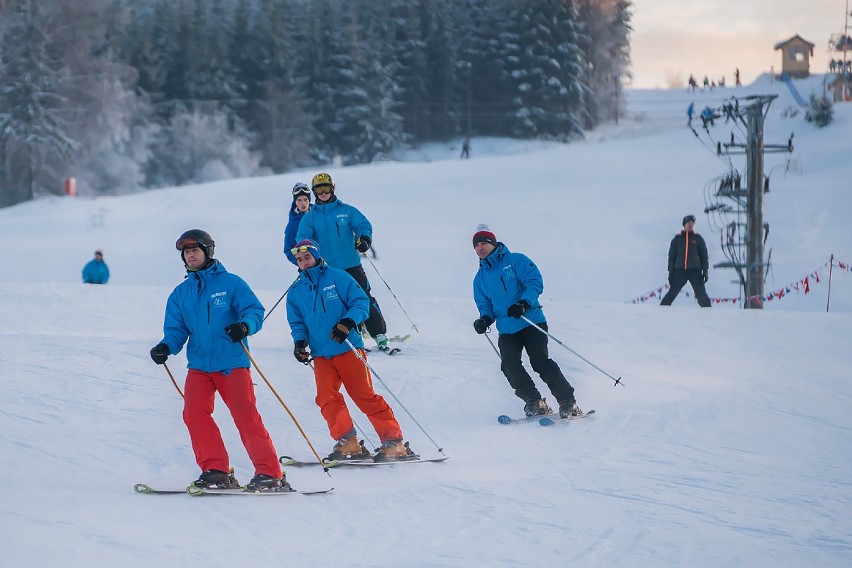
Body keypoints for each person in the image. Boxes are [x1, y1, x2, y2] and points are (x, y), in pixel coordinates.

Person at [149, 229, 286, 491]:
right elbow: (176, 330)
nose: (190, 255)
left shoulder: (231, 283)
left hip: (232, 362)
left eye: (194, 250)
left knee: (245, 416)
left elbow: (254, 310)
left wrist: (245, 326)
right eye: (186, 252)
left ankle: (270, 473)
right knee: (194, 414)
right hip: (199, 366)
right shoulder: (180, 294)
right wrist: (166, 346)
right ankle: (216, 470)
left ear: (208, 251)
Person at [285, 238, 413, 462]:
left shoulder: (338, 277)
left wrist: (347, 323)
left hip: (348, 348)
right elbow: (297, 323)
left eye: (307, 257)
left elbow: (360, 302)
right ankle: (348, 442)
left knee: (364, 396)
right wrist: (299, 343)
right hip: (321, 354)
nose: (304, 262)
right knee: (326, 397)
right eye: (299, 259)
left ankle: (394, 441)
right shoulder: (296, 291)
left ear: (315, 256)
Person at [470, 224, 582, 419]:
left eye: (484, 243)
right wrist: (485, 319)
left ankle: (568, 403)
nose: (480, 248)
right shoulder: (479, 279)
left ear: (493, 243)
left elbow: (534, 281)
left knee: (540, 362)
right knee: (509, 365)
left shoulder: (516, 260)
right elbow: (485, 305)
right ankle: (534, 401)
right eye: (476, 245)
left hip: (530, 321)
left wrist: (523, 303)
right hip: (506, 329)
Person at [295, 172, 390, 351]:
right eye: (319, 190)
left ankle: (379, 334)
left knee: (364, 297)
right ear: (314, 193)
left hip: (351, 265)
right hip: (327, 270)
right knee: (337, 303)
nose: (323, 193)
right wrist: (307, 259)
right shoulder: (310, 217)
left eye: (326, 188)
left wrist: (365, 239)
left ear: (332, 189)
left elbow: (363, 225)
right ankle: (354, 335)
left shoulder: (345, 210)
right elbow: (303, 239)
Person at [660, 215, 712, 308]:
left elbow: (704, 256)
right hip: (680, 271)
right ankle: (662, 310)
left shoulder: (698, 238)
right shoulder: (677, 239)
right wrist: (671, 272)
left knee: (701, 294)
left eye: (692, 223)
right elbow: (671, 257)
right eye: (688, 223)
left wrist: (705, 270)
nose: (690, 225)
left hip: (695, 271)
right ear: (684, 225)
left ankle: (708, 312)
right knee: (673, 292)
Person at [284, 182, 312, 266]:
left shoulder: (318, 215)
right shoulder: (292, 224)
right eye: (299, 200)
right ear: (295, 202)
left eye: (305, 199)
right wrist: (302, 263)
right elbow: (288, 250)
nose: (303, 203)